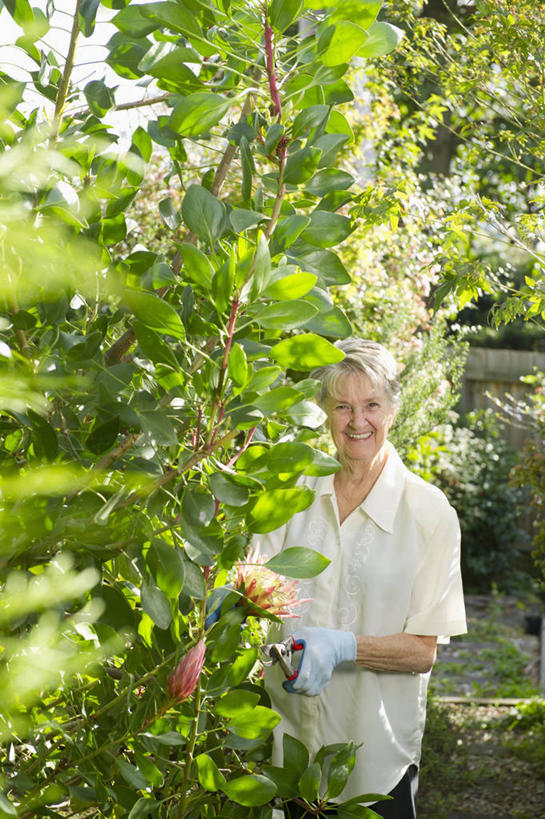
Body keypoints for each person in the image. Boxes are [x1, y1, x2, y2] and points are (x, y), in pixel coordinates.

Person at [253, 338, 467, 818]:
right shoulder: (292, 491)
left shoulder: (428, 514)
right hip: (287, 755)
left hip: (375, 770)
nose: (357, 422)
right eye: (342, 406)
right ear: (324, 411)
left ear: (392, 407)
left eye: (371, 404)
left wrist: (344, 647)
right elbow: (250, 581)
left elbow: (422, 650)